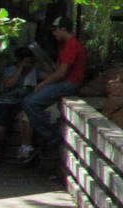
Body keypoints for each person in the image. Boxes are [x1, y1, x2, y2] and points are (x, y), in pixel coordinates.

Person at [22, 17, 88, 160]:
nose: (54, 34)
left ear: (63, 29)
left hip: (69, 83)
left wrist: (43, 83)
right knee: (30, 100)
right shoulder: (65, 46)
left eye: (55, 30)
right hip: (64, 81)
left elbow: (62, 73)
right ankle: (49, 135)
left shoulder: (72, 45)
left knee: (30, 102)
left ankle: (51, 136)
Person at [0, 47, 39, 164]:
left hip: (22, 103)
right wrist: (20, 69)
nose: (28, 65)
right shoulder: (11, 69)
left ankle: (25, 150)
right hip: (4, 102)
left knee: (26, 118)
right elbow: (9, 84)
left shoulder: (34, 71)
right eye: (26, 62)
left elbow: (50, 73)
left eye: (31, 62)